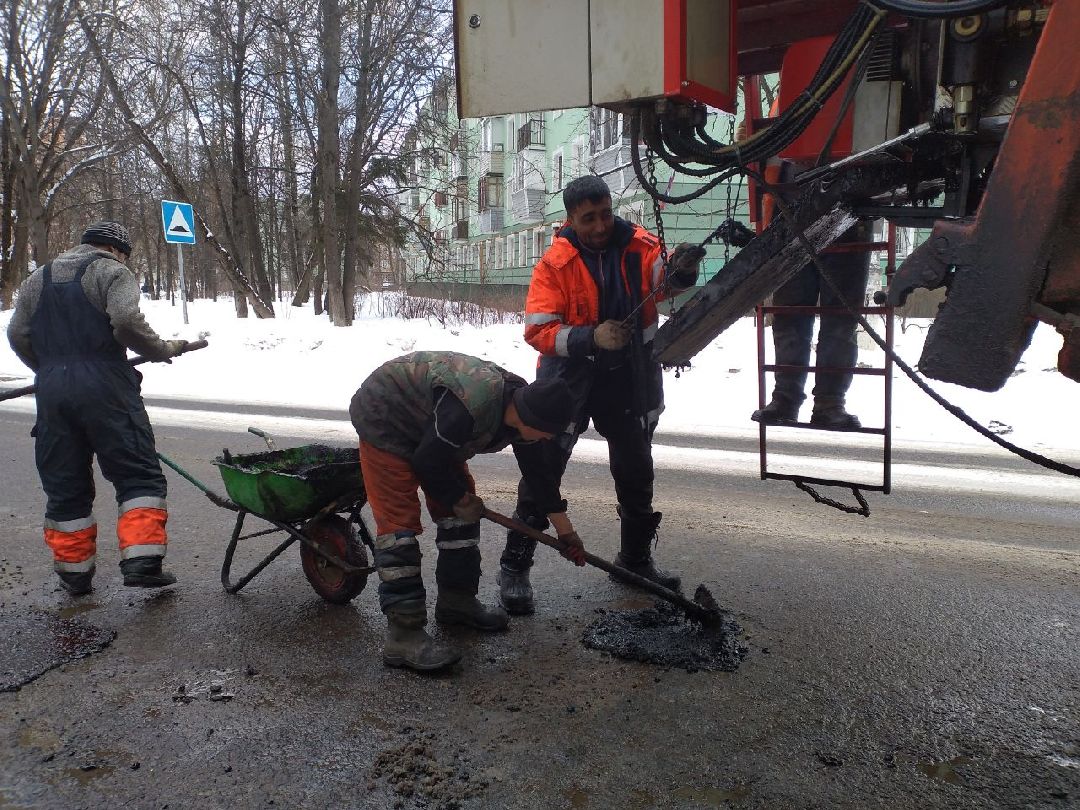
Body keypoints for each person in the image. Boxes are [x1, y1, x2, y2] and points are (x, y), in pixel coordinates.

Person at [496, 174, 705, 615]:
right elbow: (539, 332)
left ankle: (635, 560)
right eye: (588, 218)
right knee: (542, 472)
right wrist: (593, 338)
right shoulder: (554, 265)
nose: (599, 225)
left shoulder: (640, 245)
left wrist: (683, 269)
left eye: (605, 214)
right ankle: (515, 566)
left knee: (635, 471)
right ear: (571, 219)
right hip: (567, 382)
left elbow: (663, 283)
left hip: (629, 379)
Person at [350, 351, 580, 673]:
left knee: (461, 515)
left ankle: (456, 601)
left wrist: (565, 530)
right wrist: (456, 497)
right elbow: (427, 462)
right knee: (399, 526)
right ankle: (403, 635)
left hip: (436, 430)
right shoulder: (472, 407)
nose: (549, 439)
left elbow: (539, 476)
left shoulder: (526, 408)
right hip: (387, 415)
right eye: (548, 434)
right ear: (531, 421)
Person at [6, 221, 188, 595]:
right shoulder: (112, 271)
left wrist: (51, 369)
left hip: (52, 388)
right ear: (117, 250)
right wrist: (161, 349)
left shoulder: (36, 279)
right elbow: (124, 322)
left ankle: (74, 573)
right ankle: (141, 562)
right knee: (137, 474)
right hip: (106, 384)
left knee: (65, 483)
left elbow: (17, 334)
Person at [751, 221, 872, 429]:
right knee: (790, 317)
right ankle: (787, 400)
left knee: (840, 320)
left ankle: (828, 402)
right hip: (793, 216)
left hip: (850, 216)